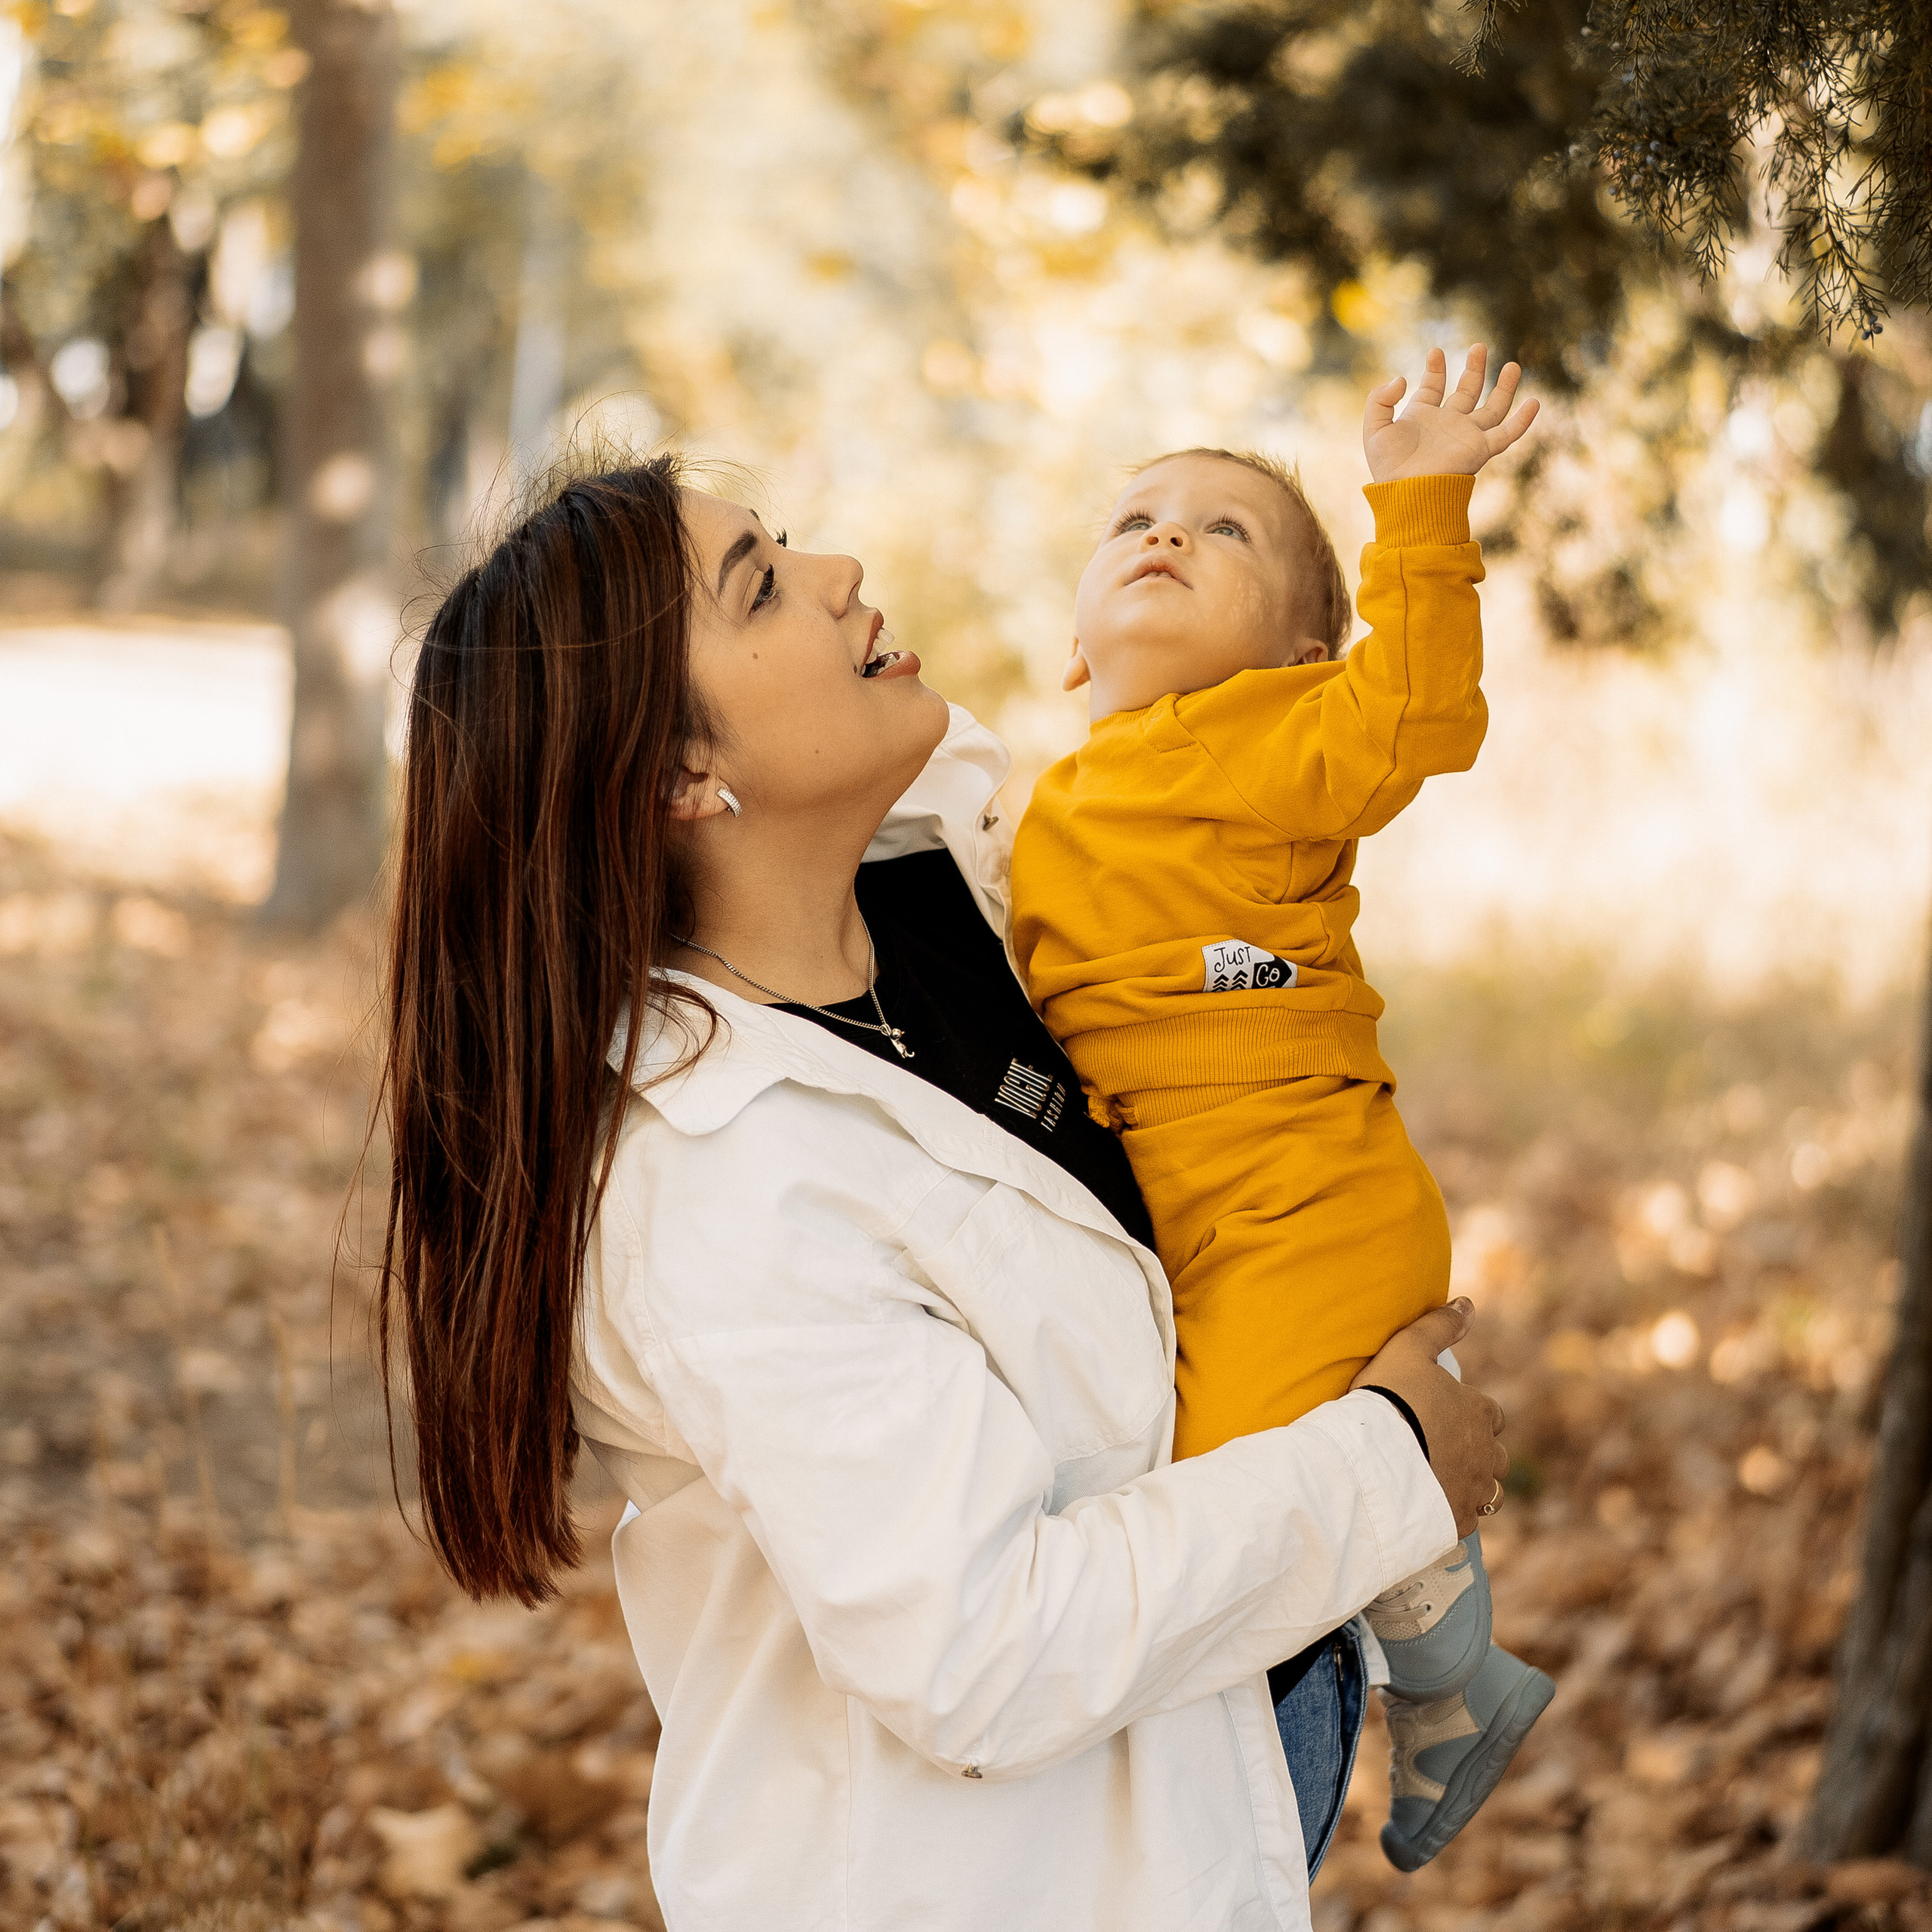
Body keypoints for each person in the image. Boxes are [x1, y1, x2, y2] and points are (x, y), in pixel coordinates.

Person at [371, 451, 1512, 1932]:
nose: (837, 568)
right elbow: (985, 1651)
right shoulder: (722, 1184)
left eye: (786, 538)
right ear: (674, 776)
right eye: (760, 584)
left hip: (1209, 1765)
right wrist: (1391, 1459)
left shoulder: (946, 888)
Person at [1008, 346, 1551, 1871]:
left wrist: (1418, 509)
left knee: (1229, 1497)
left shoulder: (1273, 739)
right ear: (1070, 641)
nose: (1165, 534)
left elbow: (1417, 716)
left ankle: (1437, 1680)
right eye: (1133, 519)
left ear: (1305, 648)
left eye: (1223, 530)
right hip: (1197, 1218)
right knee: (1202, 1471)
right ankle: (1452, 1672)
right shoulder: (1047, 798)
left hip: (1303, 1212)